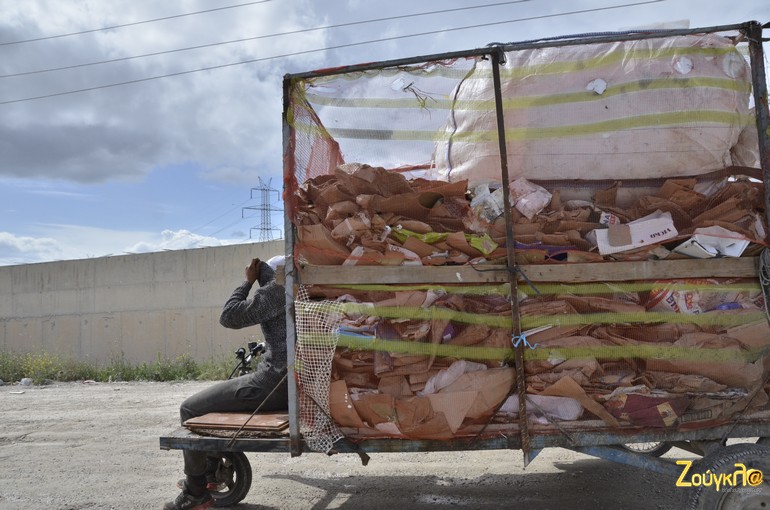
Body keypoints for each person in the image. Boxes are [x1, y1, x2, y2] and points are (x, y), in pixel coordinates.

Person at [164, 255, 289, 510]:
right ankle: (208, 474)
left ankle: (196, 492)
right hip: (293, 379)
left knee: (190, 408)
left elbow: (229, 316)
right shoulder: (302, 291)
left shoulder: (277, 291)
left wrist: (247, 282)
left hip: (273, 383)